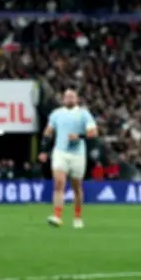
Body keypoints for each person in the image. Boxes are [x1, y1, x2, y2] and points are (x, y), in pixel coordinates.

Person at [38, 89, 97, 229]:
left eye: (72, 96)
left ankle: (77, 217)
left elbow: (93, 132)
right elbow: (48, 132)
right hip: (60, 152)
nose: (69, 98)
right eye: (67, 96)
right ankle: (57, 216)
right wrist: (44, 150)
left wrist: (79, 136)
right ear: (63, 99)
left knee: (77, 187)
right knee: (59, 183)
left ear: (77, 99)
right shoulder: (56, 114)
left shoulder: (83, 113)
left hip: (77, 154)